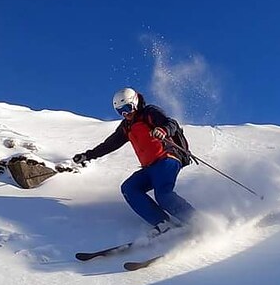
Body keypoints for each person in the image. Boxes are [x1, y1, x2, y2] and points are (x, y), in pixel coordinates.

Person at [73, 87, 196, 232]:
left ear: (135, 102)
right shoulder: (126, 126)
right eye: (120, 111)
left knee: (163, 195)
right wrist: (88, 155)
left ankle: (196, 221)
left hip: (166, 160)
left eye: (127, 108)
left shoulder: (149, 113)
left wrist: (163, 130)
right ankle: (163, 224)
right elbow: (109, 144)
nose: (126, 114)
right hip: (149, 168)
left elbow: (171, 123)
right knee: (130, 188)